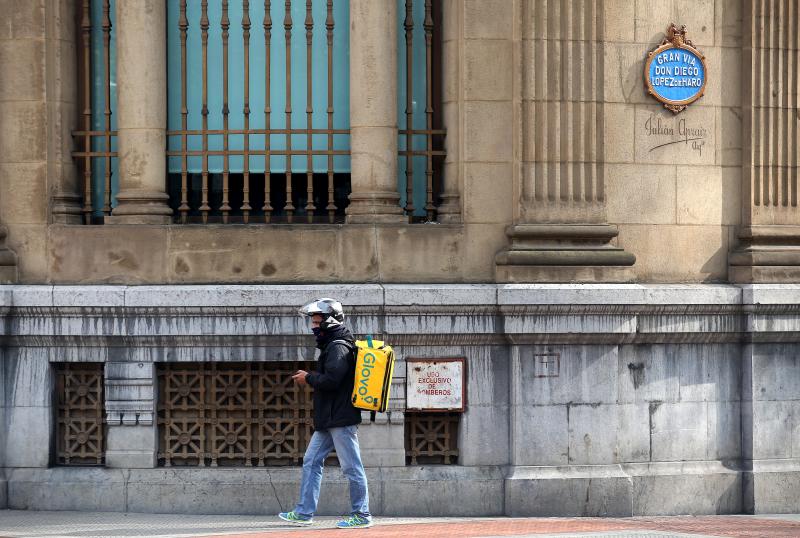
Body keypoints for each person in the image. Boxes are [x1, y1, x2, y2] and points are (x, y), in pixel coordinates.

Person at [278, 298, 373, 529]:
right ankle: (303, 513)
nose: (313, 326)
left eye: (316, 321)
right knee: (311, 461)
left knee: (352, 467)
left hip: (340, 418)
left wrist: (308, 378)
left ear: (329, 321)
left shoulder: (338, 345)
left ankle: (362, 515)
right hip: (330, 418)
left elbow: (333, 379)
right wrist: (310, 375)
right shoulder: (333, 344)